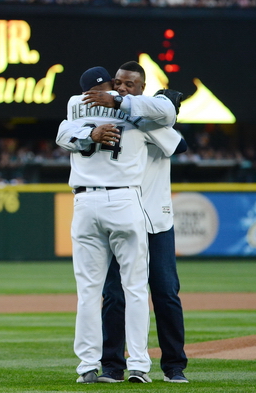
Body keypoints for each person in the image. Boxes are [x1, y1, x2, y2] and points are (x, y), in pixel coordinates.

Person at [56, 65, 182, 384]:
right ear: (110, 85)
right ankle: (138, 364)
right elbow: (171, 124)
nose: (119, 89)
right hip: (125, 200)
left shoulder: (74, 106)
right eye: (116, 84)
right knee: (134, 288)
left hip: (85, 201)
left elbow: (62, 134)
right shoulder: (135, 111)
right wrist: (123, 102)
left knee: (89, 292)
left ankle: (87, 366)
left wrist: (88, 134)